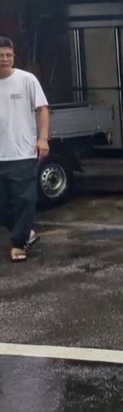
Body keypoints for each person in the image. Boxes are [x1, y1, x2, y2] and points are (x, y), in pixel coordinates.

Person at [0, 36, 47, 262]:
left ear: (14, 56)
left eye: (8, 55)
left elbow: (42, 109)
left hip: (23, 153)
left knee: (24, 200)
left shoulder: (27, 80)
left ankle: (19, 244)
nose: (4, 59)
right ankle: (25, 231)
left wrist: (43, 139)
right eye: (0, 56)